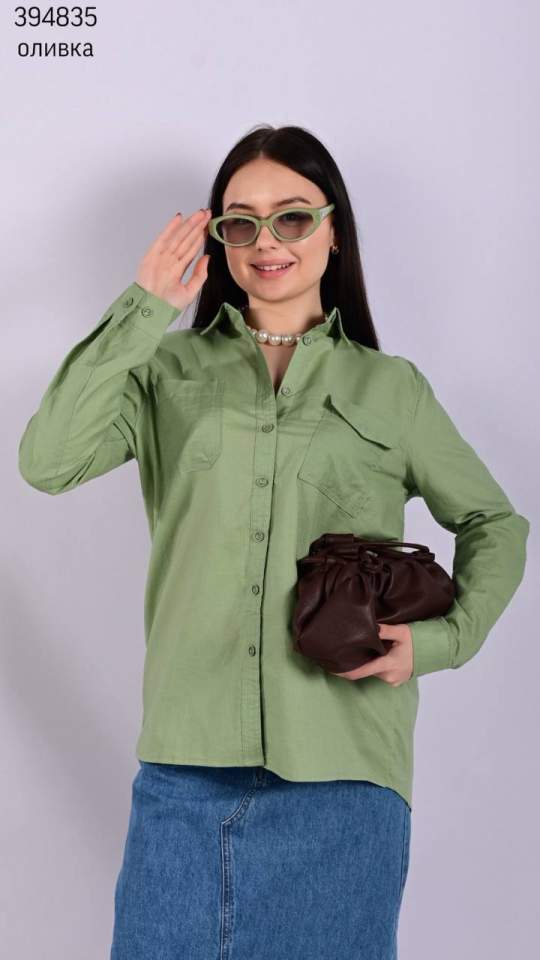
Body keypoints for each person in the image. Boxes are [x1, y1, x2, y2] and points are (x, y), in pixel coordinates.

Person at [18, 124, 529, 960]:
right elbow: (47, 462)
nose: (267, 242)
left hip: (345, 773)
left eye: (292, 217)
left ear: (335, 231)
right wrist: (145, 306)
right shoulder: (166, 372)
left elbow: (495, 524)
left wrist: (441, 642)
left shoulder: (391, 388)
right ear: (219, 239)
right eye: (241, 222)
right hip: (184, 772)